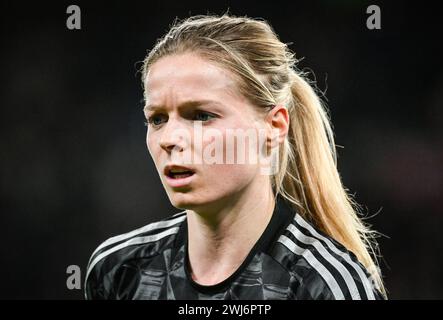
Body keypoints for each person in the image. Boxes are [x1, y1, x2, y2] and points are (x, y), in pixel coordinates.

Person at [85, 13, 386, 300]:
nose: (169, 139)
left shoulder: (324, 284)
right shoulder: (119, 270)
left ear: (274, 126)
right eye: (158, 119)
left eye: (201, 115)